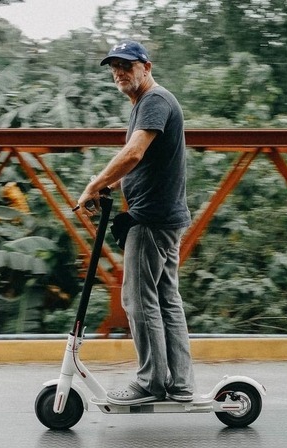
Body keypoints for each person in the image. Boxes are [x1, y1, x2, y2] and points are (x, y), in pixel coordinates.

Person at [77, 40, 195, 405]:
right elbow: (142, 162)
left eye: (126, 65)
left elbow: (134, 152)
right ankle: (179, 384)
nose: (119, 72)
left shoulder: (154, 101)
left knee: (137, 300)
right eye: (114, 66)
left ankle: (150, 383)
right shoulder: (148, 103)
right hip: (165, 216)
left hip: (152, 218)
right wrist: (109, 187)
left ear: (146, 66)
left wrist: (93, 185)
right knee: (164, 299)